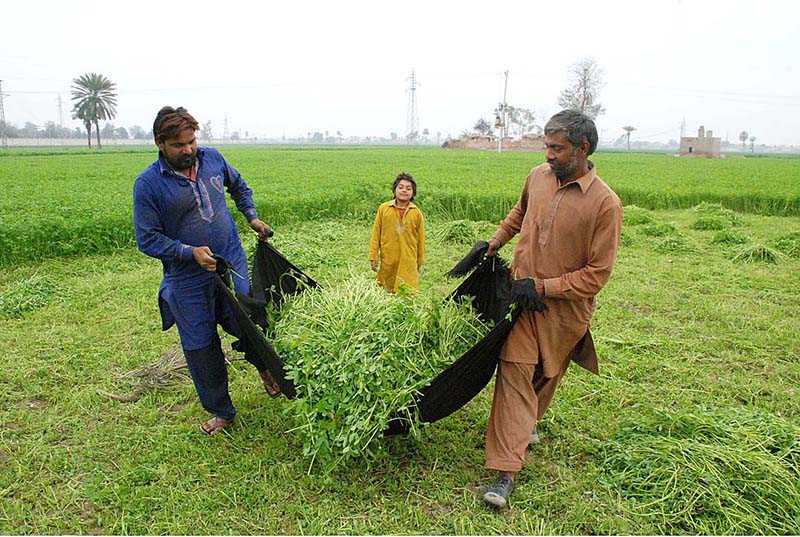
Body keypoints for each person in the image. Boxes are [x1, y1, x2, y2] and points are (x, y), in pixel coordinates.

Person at [480, 110, 623, 508]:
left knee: (546, 373)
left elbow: (596, 275)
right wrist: (493, 243)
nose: (548, 155)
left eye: (557, 148)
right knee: (513, 369)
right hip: (521, 304)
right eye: (546, 146)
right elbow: (519, 213)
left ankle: (524, 427)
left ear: (583, 148)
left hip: (564, 314)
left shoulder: (605, 204)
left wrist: (542, 286)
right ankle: (506, 470)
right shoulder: (537, 178)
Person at [133, 106, 281, 436]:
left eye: (191, 141)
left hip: (230, 260)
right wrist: (188, 252)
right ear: (160, 143)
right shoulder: (148, 184)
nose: (188, 149)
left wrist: (251, 216)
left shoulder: (212, 159)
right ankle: (221, 410)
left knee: (251, 321)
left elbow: (239, 185)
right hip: (187, 278)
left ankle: (265, 368)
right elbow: (146, 238)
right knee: (201, 345)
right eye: (179, 145)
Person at [368, 172, 426, 293]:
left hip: (408, 258)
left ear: (413, 192)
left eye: (408, 188)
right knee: (386, 288)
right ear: (394, 190)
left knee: (407, 290)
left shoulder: (416, 213)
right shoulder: (384, 209)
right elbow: (376, 233)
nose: (404, 190)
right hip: (388, 257)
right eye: (400, 187)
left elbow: (421, 239)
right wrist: (373, 255)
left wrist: (420, 260)